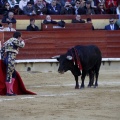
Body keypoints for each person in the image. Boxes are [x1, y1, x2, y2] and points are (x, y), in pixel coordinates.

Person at [1, 31, 25, 96]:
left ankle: (10, 90)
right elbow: (22, 45)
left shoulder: (8, 41)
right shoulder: (15, 40)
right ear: (18, 36)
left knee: (13, 74)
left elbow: (2, 50)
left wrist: (3, 58)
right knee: (9, 75)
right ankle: (8, 92)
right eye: (20, 37)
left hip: (7, 59)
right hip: (11, 59)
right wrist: (22, 41)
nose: (20, 38)